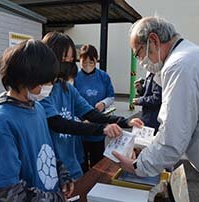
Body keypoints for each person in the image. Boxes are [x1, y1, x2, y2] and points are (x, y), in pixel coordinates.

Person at [113, 16, 199, 199]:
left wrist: (138, 166)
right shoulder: (189, 57)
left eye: (138, 53)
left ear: (153, 40)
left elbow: (173, 137)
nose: (141, 61)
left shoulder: (180, 66)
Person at [41, 32, 143, 179]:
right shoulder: (41, 92)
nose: (69, 65)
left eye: (71, 60)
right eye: (64, 59)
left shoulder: (66, 88)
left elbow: (90, 113)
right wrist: (102, 129)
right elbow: (58, 124)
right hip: (50, 169)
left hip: (72, 162)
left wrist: (124, 121)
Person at [0, 40, 74, 201]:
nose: (49, 86)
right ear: (26, 79)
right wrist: (54, 199)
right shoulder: (0, 122)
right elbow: (5, 191)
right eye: (44, 82)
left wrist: (62, 174)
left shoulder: (37, 108)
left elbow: (46, 152)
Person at [74, 44, 115, 171]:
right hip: (80, 127)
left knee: (98, 160)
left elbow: (111, 96)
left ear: (96, 60)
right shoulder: (75, 78)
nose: (87, 64)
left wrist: (103, 103)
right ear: (79, 60)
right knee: (82, 161)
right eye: (84, 61)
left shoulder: (104, 76)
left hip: (98, 126)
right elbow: (70, 102)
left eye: (91, 61)